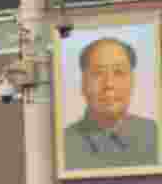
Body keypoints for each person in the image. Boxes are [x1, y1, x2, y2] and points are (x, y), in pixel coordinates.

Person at [63, 37, 159, 170]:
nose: (109, 84)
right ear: (83, 84)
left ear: (133, 82)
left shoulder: (154, 134)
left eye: (118, 72)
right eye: (98, 73)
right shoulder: (63, 145)